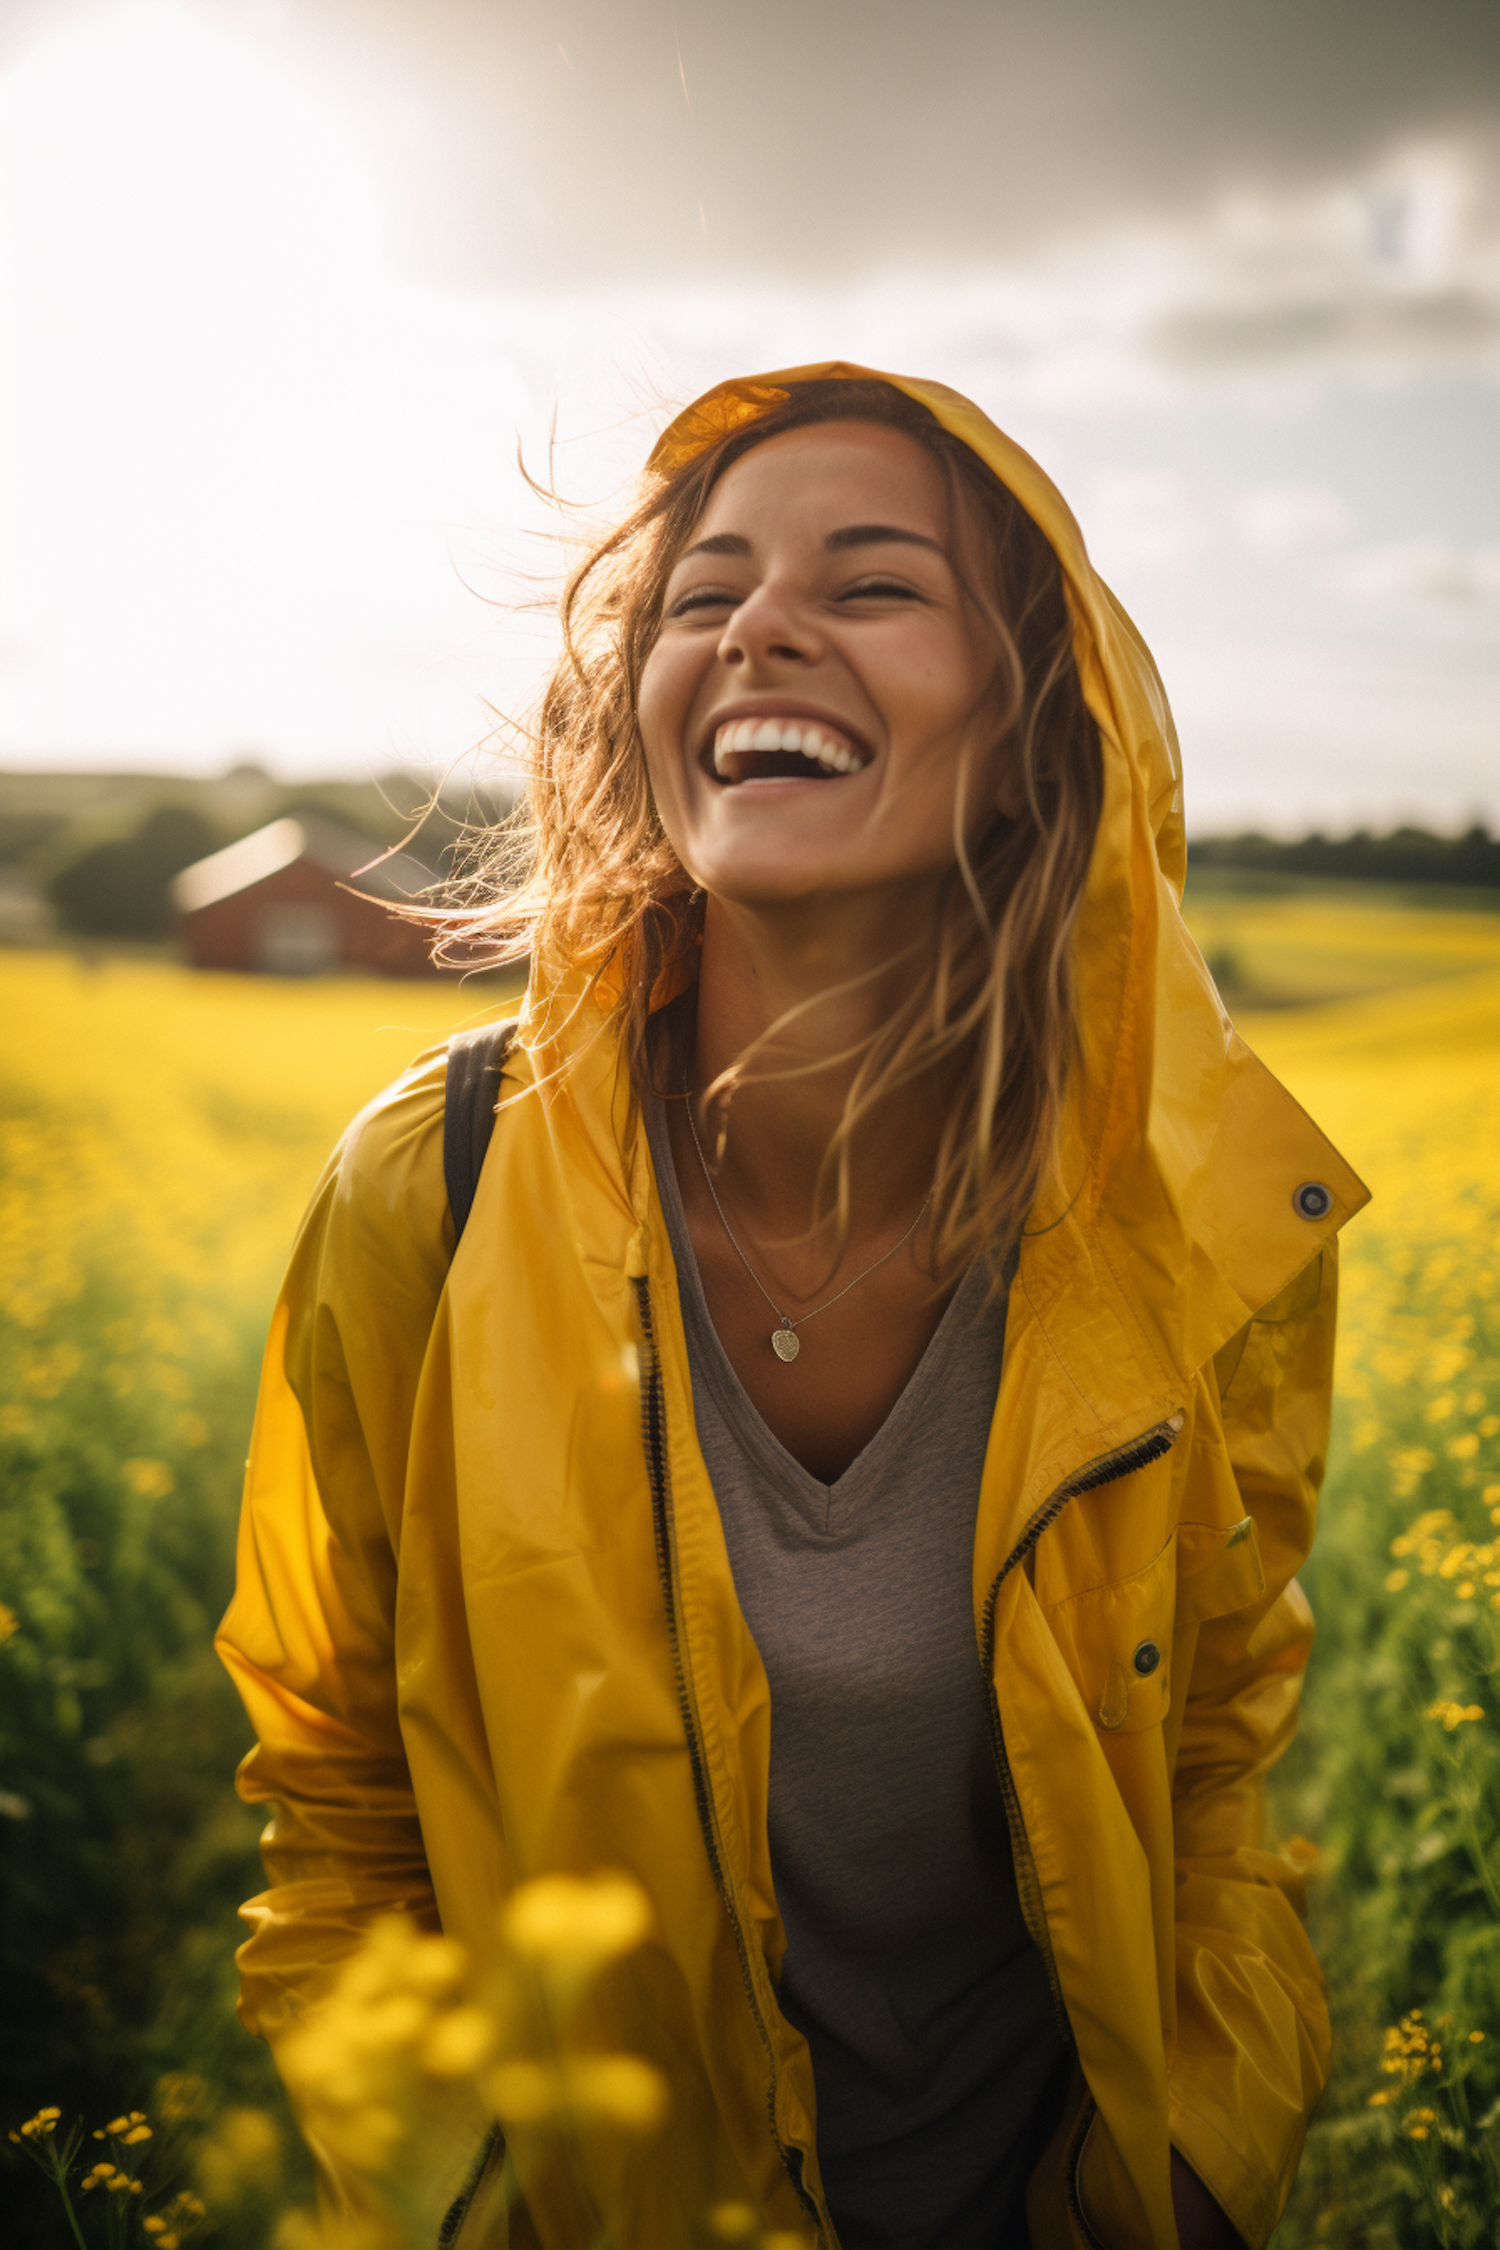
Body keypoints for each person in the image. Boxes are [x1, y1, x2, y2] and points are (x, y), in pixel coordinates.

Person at [217, 365, 1367, 2250]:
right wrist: (464, 2204)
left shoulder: (1196, 1226)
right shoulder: (431, 1186)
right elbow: (336, 1804)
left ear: (1031, 717)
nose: (760, 623)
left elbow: (1218, 1778)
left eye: (872, 582)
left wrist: (1188, 2178)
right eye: (704, 592)